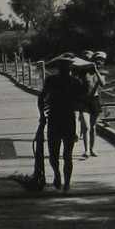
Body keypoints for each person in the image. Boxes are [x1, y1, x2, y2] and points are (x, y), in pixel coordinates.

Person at [43, 56, 84, 192]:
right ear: (59, 67)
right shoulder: (51, 80)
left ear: (70, 68)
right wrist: (42, 115)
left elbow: (79, 106)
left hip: (69, 120)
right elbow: (41, 98)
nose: (65, 69)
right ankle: (57, 174)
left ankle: (67, 183)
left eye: (67, 66)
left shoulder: (76, 83)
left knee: (68, 155)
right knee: (53, 155)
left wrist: (78, 127)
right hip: (53, 119)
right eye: (63, 66)